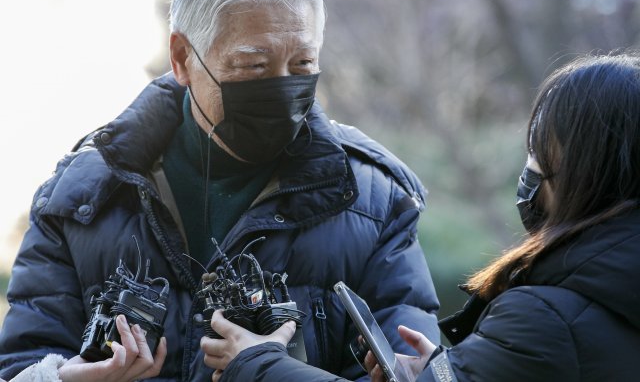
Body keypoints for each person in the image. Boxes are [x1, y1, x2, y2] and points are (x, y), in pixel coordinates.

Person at [0, 0, 440, 381]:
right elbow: (21, 363)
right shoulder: (80, 199)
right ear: (182, 59)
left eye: (303, 62)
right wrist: (65, 379)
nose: (284, 86)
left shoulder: (374, 200)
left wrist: (274, 373)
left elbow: (413, 370)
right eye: (254, 65)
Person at [200, 52, 640, 382]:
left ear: (591, 172)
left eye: (542, 151)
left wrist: (258, 365)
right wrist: (448, 371)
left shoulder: (547, 320)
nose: (529, 170)